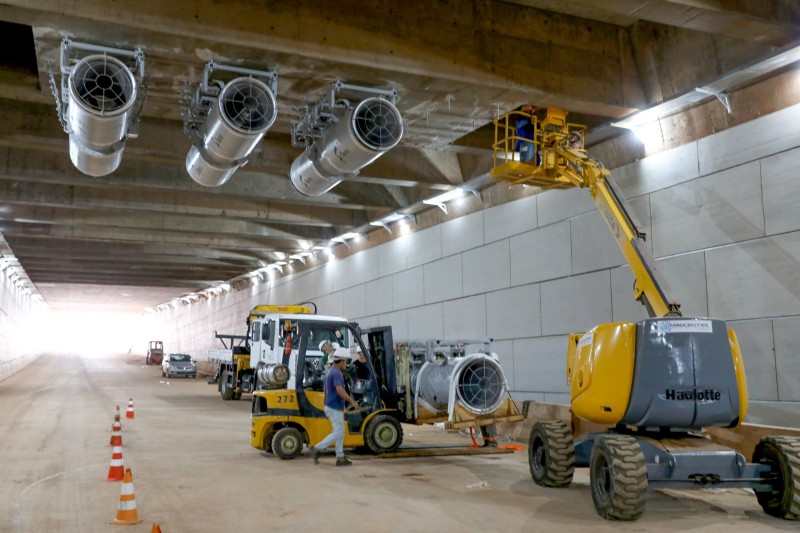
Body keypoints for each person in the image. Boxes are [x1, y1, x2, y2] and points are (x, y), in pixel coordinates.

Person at [309, 352, 360, 466]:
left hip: (330, 405)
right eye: (345, 361)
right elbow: (340, 390)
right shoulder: (337, 373)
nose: (345, 363)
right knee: (339, 432)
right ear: (341, 361)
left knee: (340, 432)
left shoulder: (330, 371)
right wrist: (352, 402)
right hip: (334, 407)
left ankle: (340, 457)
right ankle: (317, 448)